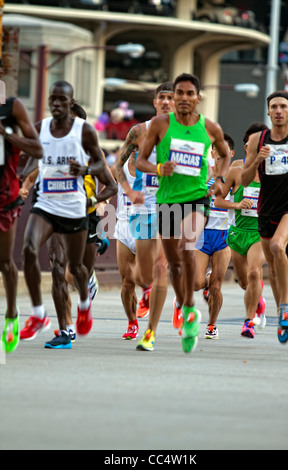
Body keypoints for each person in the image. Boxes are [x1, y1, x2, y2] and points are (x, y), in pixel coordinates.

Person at [136, 73, 231, 353]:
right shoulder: (159, 125)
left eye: (191, 93)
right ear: (173, 96)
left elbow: (224, 155)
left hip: (197, 198)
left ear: (198, 98)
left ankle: (188, 309)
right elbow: (141, 160)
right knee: (174, 265)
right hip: (167, 200)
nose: (184, 98)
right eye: (180, 93)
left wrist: (221, 180)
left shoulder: (209, 127)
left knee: (187, 247)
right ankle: (188, 307)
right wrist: (157, 169)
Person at [20, 81, 117, 348]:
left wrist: (94, 199)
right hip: (52, 209)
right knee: (57, 269)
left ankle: (89, 276)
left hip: (84, 214)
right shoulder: (51, 144)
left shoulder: (87, 151)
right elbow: (37, 168)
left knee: (77, 270)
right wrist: (25, 186)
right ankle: (65, 329)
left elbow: (111, 185)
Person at [113, 82, 176, 351]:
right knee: (135, 278)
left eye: (171, 98)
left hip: (171, 208)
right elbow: (117, 165)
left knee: (161, 268)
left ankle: (150, 332)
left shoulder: (186, 133)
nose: (166, 102)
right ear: (155, 102)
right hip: (140, 210)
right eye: (161, 97)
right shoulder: (139, 131)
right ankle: (139, 307)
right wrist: (127, 190)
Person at [241, 91, 288, 343]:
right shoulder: (258, 139)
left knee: (278, 246)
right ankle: (280, 314)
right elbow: (244, 180)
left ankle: (285, 305)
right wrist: (257, 161)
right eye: (273, 106)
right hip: (265, 209)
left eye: (283, 106)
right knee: (273, 269)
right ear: (267, 111)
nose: (278, 110)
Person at [214, 122, 268, 338]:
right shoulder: (236, 171)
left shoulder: (272, 175)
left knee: (255, 272)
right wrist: (237, 205)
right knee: (245, 282)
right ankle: (258, 299)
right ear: (247, 147)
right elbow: (218, 201)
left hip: (260, 233)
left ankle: (248, 322)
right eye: (253, 143)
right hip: (237, 233)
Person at [0, 97, 43, 354]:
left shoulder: (12, 107)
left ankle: (12, 313)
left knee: (4, 262)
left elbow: (38, 149)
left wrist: (6, 134)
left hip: (4, 197)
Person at [194, 133, 235, 340]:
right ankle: (207, 279)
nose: (219, 155)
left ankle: (212, 325)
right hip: (202, 235)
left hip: (223, 235)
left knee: (217, 286)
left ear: (231, 153)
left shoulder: (235, 176)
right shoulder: (204, 173)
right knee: (196, 283)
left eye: (223, 152)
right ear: (211, 152)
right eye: (216, 151)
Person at [113, 153, 139, 339]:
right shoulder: (120, 170)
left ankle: (147, 296)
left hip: (146, 226)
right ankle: (132, 322)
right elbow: (105, 174)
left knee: (145, 278)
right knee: (126, 281)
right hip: (123, 227)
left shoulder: (152, 170)